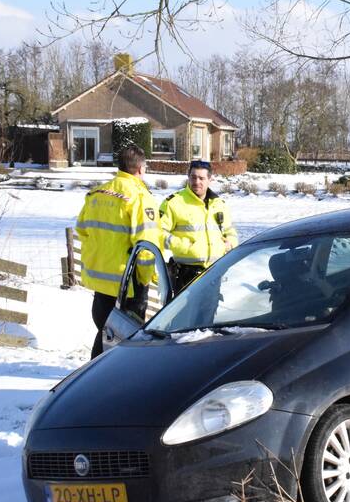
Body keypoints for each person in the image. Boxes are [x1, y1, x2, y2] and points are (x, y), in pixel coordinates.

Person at [76, 144, 161, 358]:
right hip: (127, 284)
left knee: (105, 333)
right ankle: (101, 382)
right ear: (141, 169)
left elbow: (82, 230)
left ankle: (94, 378)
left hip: (100, 280)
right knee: (123, 341)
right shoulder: (141, 198)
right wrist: (145, 277)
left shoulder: (97, 194)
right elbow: (146, 247)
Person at [159, 159, 239, 293]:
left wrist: (229, 243)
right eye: (193, 177)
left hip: (214, 273)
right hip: (185, 275)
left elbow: (230, 231)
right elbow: (157, 232)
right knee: (185, 314)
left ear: (209, 179)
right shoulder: (174, 203)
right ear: (188, 177)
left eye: (201, 178)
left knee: (209, 314)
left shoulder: (219, 203)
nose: (197, 182)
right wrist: (182, 245)